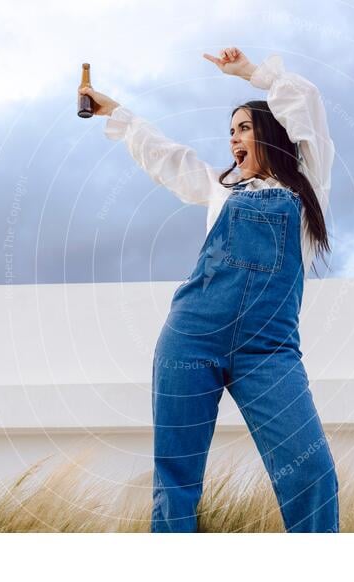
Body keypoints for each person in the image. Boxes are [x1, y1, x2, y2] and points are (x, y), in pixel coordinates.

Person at [80, 47, 339, 532]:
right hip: (191, 337)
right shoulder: (220, 189)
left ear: (273, 134)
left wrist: (252, 74)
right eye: (230, 131)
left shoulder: (307, 185)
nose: (233, 139)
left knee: (310, 471)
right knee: (176, 480)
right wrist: (115, 112)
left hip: (268, 349)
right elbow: (166, 157)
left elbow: (307, 100)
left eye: (244, 128)